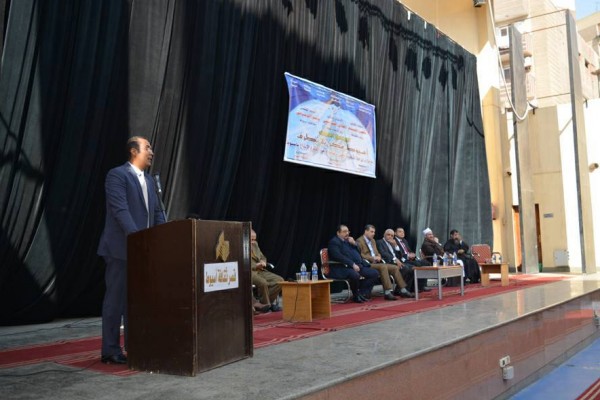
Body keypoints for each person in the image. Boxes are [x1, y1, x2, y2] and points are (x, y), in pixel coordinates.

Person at [97, 136, 167, 364]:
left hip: (142, 250)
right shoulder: (117, 175)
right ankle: (110, 350)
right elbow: (120, 210)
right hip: (120, 249)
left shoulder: (149, 181)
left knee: (136, 302)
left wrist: (163, 237)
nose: (152, 152)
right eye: (148, 147)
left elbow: (156, 213)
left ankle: (135, 346)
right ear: (133, 151)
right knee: (115, 301)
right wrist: (138, 239)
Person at [357, 225, 414, 299]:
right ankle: (387, 292)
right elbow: (360, 255)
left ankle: (403, 290)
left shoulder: (373, 241)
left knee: (394, 268)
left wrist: (379, 256)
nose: (373, 234)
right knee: (383, 266)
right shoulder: (359, 241)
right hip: (368, 263)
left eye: (374, 232)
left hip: (378, 262)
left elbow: (377, 252)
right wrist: (373, 258)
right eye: (371, 232)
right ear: (366, 231)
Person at [327, 224, 379, 303]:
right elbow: (338, 256)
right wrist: (352, 264)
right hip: (341, 267)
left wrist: (354, 243)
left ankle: (362, 293)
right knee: (355, 275)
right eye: (344, 231)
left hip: (356, 266)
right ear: (338, 233)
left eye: (348, 231)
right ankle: (356, 295)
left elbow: (359, 252)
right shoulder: (334, 242)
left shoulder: (348, 241)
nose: (347, 233)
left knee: (374, 273)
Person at [251, 229, 284, 312]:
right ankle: (267, 305)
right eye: (251, 239)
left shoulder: (255, 244)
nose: (253, 242)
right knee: (263, 283)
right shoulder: (240, 247)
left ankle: (264, 304)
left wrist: (263, 261)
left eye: (254, 239)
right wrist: (256, 265)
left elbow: (262, 256)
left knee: (279, 280)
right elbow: (241, 262)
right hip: (249, 271)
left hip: (260, 270)